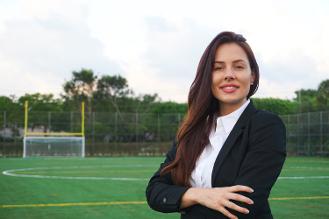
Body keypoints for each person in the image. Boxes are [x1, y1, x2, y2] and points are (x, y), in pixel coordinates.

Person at [145, 31, 286, 219]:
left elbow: (241, 206)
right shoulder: (191, 130)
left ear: (252, 76)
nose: (229, 75)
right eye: (218, 68)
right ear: (208, 77)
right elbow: (155, 191)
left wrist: (181, 198)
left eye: (238, 66)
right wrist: (199, 195)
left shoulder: (267, 126)